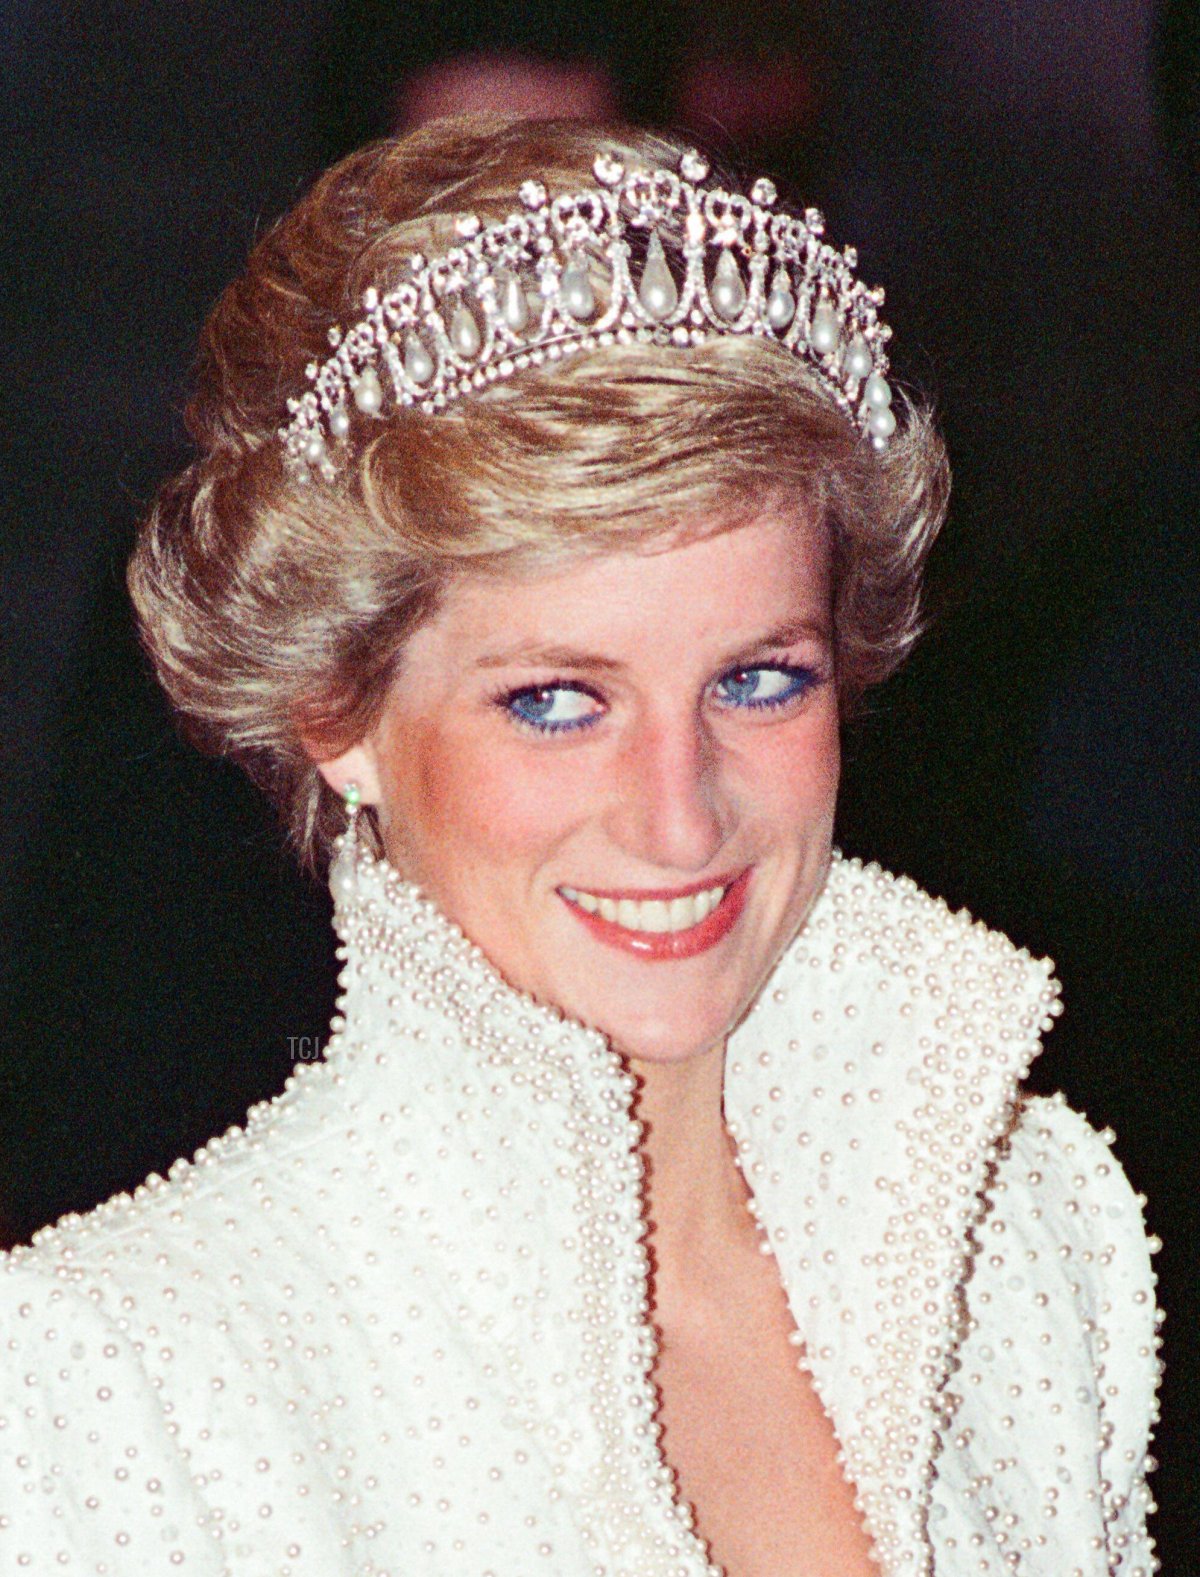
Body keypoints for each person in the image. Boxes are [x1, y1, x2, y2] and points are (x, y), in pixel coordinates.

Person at [0, 116, 1160, 1576]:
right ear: (337, 714)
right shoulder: (119, 1381)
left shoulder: (1028, 1226)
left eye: (759, 680)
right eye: (556, 701)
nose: (679, 816)